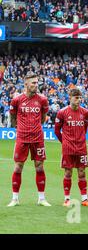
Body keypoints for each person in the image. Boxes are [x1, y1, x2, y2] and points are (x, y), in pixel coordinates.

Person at [8, 73, 51, 207]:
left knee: (39, 166)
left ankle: (41, 198)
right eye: (33, 83)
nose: (36, 85)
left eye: (37, 83)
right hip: (22, 137)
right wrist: (20, 128)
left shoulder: (42, 99)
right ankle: (15, 199)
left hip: (37, 138)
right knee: (18, 166)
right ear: (26, 84)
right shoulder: (17, 100)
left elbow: (43, 117)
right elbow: (13, 116)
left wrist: (35, 127)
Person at [54, 88, 88, 207]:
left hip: (81, 147)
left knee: (82, 172)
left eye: (80, 97)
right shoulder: (62, 112)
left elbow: (85, 128)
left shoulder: (85, 112)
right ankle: (67, 199)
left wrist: (80, 139)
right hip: (68, 148)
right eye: (76, 97)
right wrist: (65, 142)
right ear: (70, 98)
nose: (78, 100)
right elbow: (57, 130)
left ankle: (84, 199)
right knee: (68, 172)